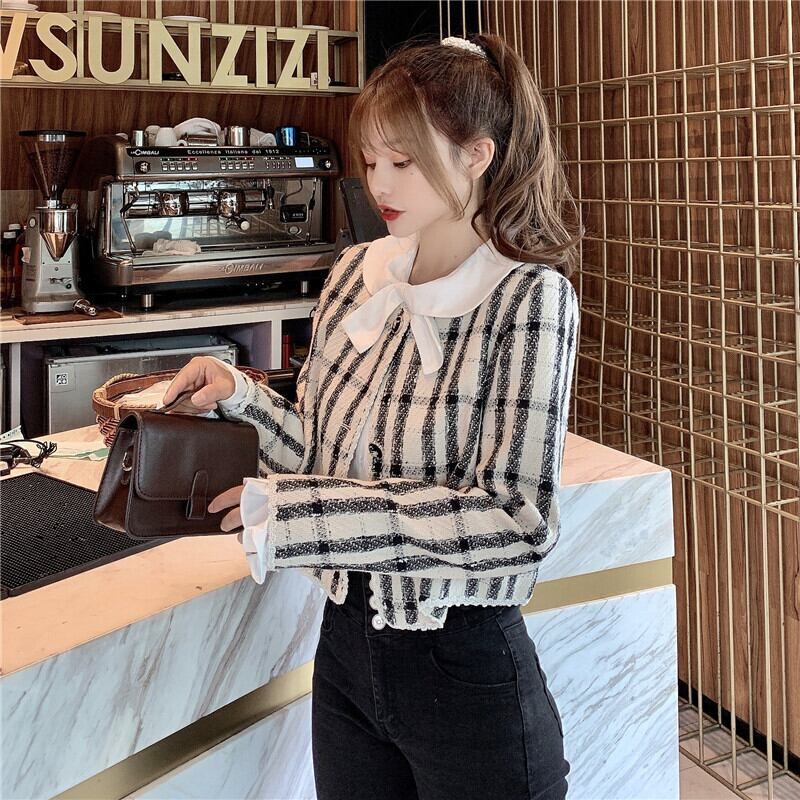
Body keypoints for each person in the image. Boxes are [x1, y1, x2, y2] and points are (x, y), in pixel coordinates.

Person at [163, 32, 582, 800]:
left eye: (404, 162)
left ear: (477, 156)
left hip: (464, 669)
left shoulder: (529, 297)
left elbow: (518, 521)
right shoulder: (359, 271)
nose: (378, 183)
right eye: (369, 160)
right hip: (345, 655)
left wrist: (302, 516)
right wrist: (239, 397)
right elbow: (319, 453)